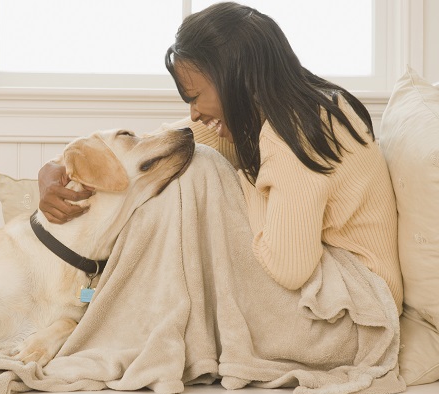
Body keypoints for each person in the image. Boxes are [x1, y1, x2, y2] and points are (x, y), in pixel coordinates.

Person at [38, 2, 402, 313]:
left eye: (195, 97)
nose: (194, 113)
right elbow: (163, 145)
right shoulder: (286, 111)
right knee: (184, 161)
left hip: (357, 304)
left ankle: (117, 309)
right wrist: (57, 165)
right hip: (342, 288)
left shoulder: (296, 133)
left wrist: (245, 185)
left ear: (239, 80)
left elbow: (290, 268)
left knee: (205, 171)